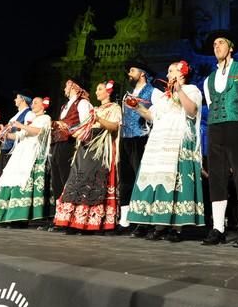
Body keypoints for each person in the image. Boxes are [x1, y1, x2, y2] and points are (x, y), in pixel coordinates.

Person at [126, 60, 206, 240]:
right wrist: (136, 106)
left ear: (182, 73)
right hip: (159, 142)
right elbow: (152, 115)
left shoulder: (192, 90)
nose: (168, 75)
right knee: (159, 180)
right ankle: (160, 225)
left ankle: (176, 228)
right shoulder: (163, 96)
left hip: (177, 140)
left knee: (175, 182)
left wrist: (179, 90)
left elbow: (192, 111)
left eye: (171, 71)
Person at [200, 30, 238, 248]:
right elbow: (212, 105)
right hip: (216, 128)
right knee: (217, 177)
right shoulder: (208, 80)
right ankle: (218, 228)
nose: (216, 47)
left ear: (230, 47)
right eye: (214, 44)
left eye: (221, 43)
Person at [54, 80, 122, 232]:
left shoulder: (114, 107)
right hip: (86, 144)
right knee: (76, 178)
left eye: (100, 89)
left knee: (91, 180)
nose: (96, 92)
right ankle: (72, 220)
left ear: (108, 91)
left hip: (99, 145)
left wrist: (97, 119)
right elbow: (83, 126)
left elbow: (114, 126)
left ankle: (90, 221)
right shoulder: (95, 108)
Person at [0, 97, 52, 225]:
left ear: (43, 106)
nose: (33, 104)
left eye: (36, 103)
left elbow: (39, 131)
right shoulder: (31, 120)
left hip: (32, 151)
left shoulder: (45, 118)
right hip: (21, 151)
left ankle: (20, 217)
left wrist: (21, 125)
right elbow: (18, 136)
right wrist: (4, 135)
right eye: (32, 102)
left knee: (23, 180)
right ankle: (6, 215)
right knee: (11, 179)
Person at [117, 60, 161, 236]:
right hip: (126, 138)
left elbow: (156, 117)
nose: (129, 73)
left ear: (142, 73)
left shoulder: (154, 92)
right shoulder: (127, 94)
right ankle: (125, 220)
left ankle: (143, 219)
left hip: (142, 139)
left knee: (141, 179)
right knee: (126, 179)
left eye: (132, 70)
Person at [43, 80, 92, 231]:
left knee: (67, 180)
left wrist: (68, 128)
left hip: (70, 144)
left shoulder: (82, 103)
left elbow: (86, 123)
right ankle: (60, 217)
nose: (64, 88)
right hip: (58, 143)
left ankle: (70, 218)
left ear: (73, 87)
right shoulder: (65, 106)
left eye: (66, 85)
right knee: (57, 181)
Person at [0, 92, 34, 180]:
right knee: (1, 175)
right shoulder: (16, 115)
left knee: (9, 177)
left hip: (15, 149)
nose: (15, 99)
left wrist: (10, 134)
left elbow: (26, 131)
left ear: (23, 99)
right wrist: (2, 129)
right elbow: (9, 129)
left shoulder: (29, 114)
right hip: (6, 148)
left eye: (17, 97)